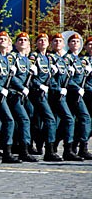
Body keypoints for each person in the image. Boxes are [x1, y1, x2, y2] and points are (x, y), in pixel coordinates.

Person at [0, 31, 21, 164]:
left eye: (5, 39)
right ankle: (6, 152)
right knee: (8, 120)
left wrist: (22, 88)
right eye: (0, 39)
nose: (2, 41)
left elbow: (10, 78)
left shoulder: (9, 59)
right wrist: (0, 89)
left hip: (5, 93)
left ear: (9, 43)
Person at [49, 33, 83, 161]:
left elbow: (65, 79)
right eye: (55, 41)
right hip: (53, 95)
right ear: (51, 44)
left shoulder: (63, 60)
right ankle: (64, 150)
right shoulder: (49, 59)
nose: (57, 43)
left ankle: (58, 148)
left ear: (63, 44)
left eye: (59, 41)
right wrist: (58, 88)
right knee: (66, 120)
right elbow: (49, 79)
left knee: (64, 121)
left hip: (62, 95)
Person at [28, 33, 62, 161]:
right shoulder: (34, 56)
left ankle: (40, 145)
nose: (42, 42)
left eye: (45, 40)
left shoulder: (49, 58)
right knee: (50, 119)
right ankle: (49, 150)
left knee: (39, 122)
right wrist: (39, 85)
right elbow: (30, 77)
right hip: (36, 93)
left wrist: (57, 88)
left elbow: (51, 79)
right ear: (36, 44)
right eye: (40, 40)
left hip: (46, 93)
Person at [8, 32, 37, 162]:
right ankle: (23, 150)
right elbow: (10, 77)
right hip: (13, 93)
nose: (22, 42)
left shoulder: (27, 59)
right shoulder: (12, 57)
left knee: (27, 117)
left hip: (24, 94)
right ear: (15, 43)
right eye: (20, 40)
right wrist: (21, 87)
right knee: (23, 119)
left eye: (25, 40)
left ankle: (19, 145)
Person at [64, 34, 92, 159]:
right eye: (72, 41)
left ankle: (75, 145)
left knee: (80, 120)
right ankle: (78, 147)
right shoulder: (68, 58)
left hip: (80, 92)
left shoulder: (79, 60)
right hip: (73, 94)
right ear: (69, 44)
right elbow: (66, 78)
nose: (75, 43)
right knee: (83, 118)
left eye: (77, 41)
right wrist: (78, 88)